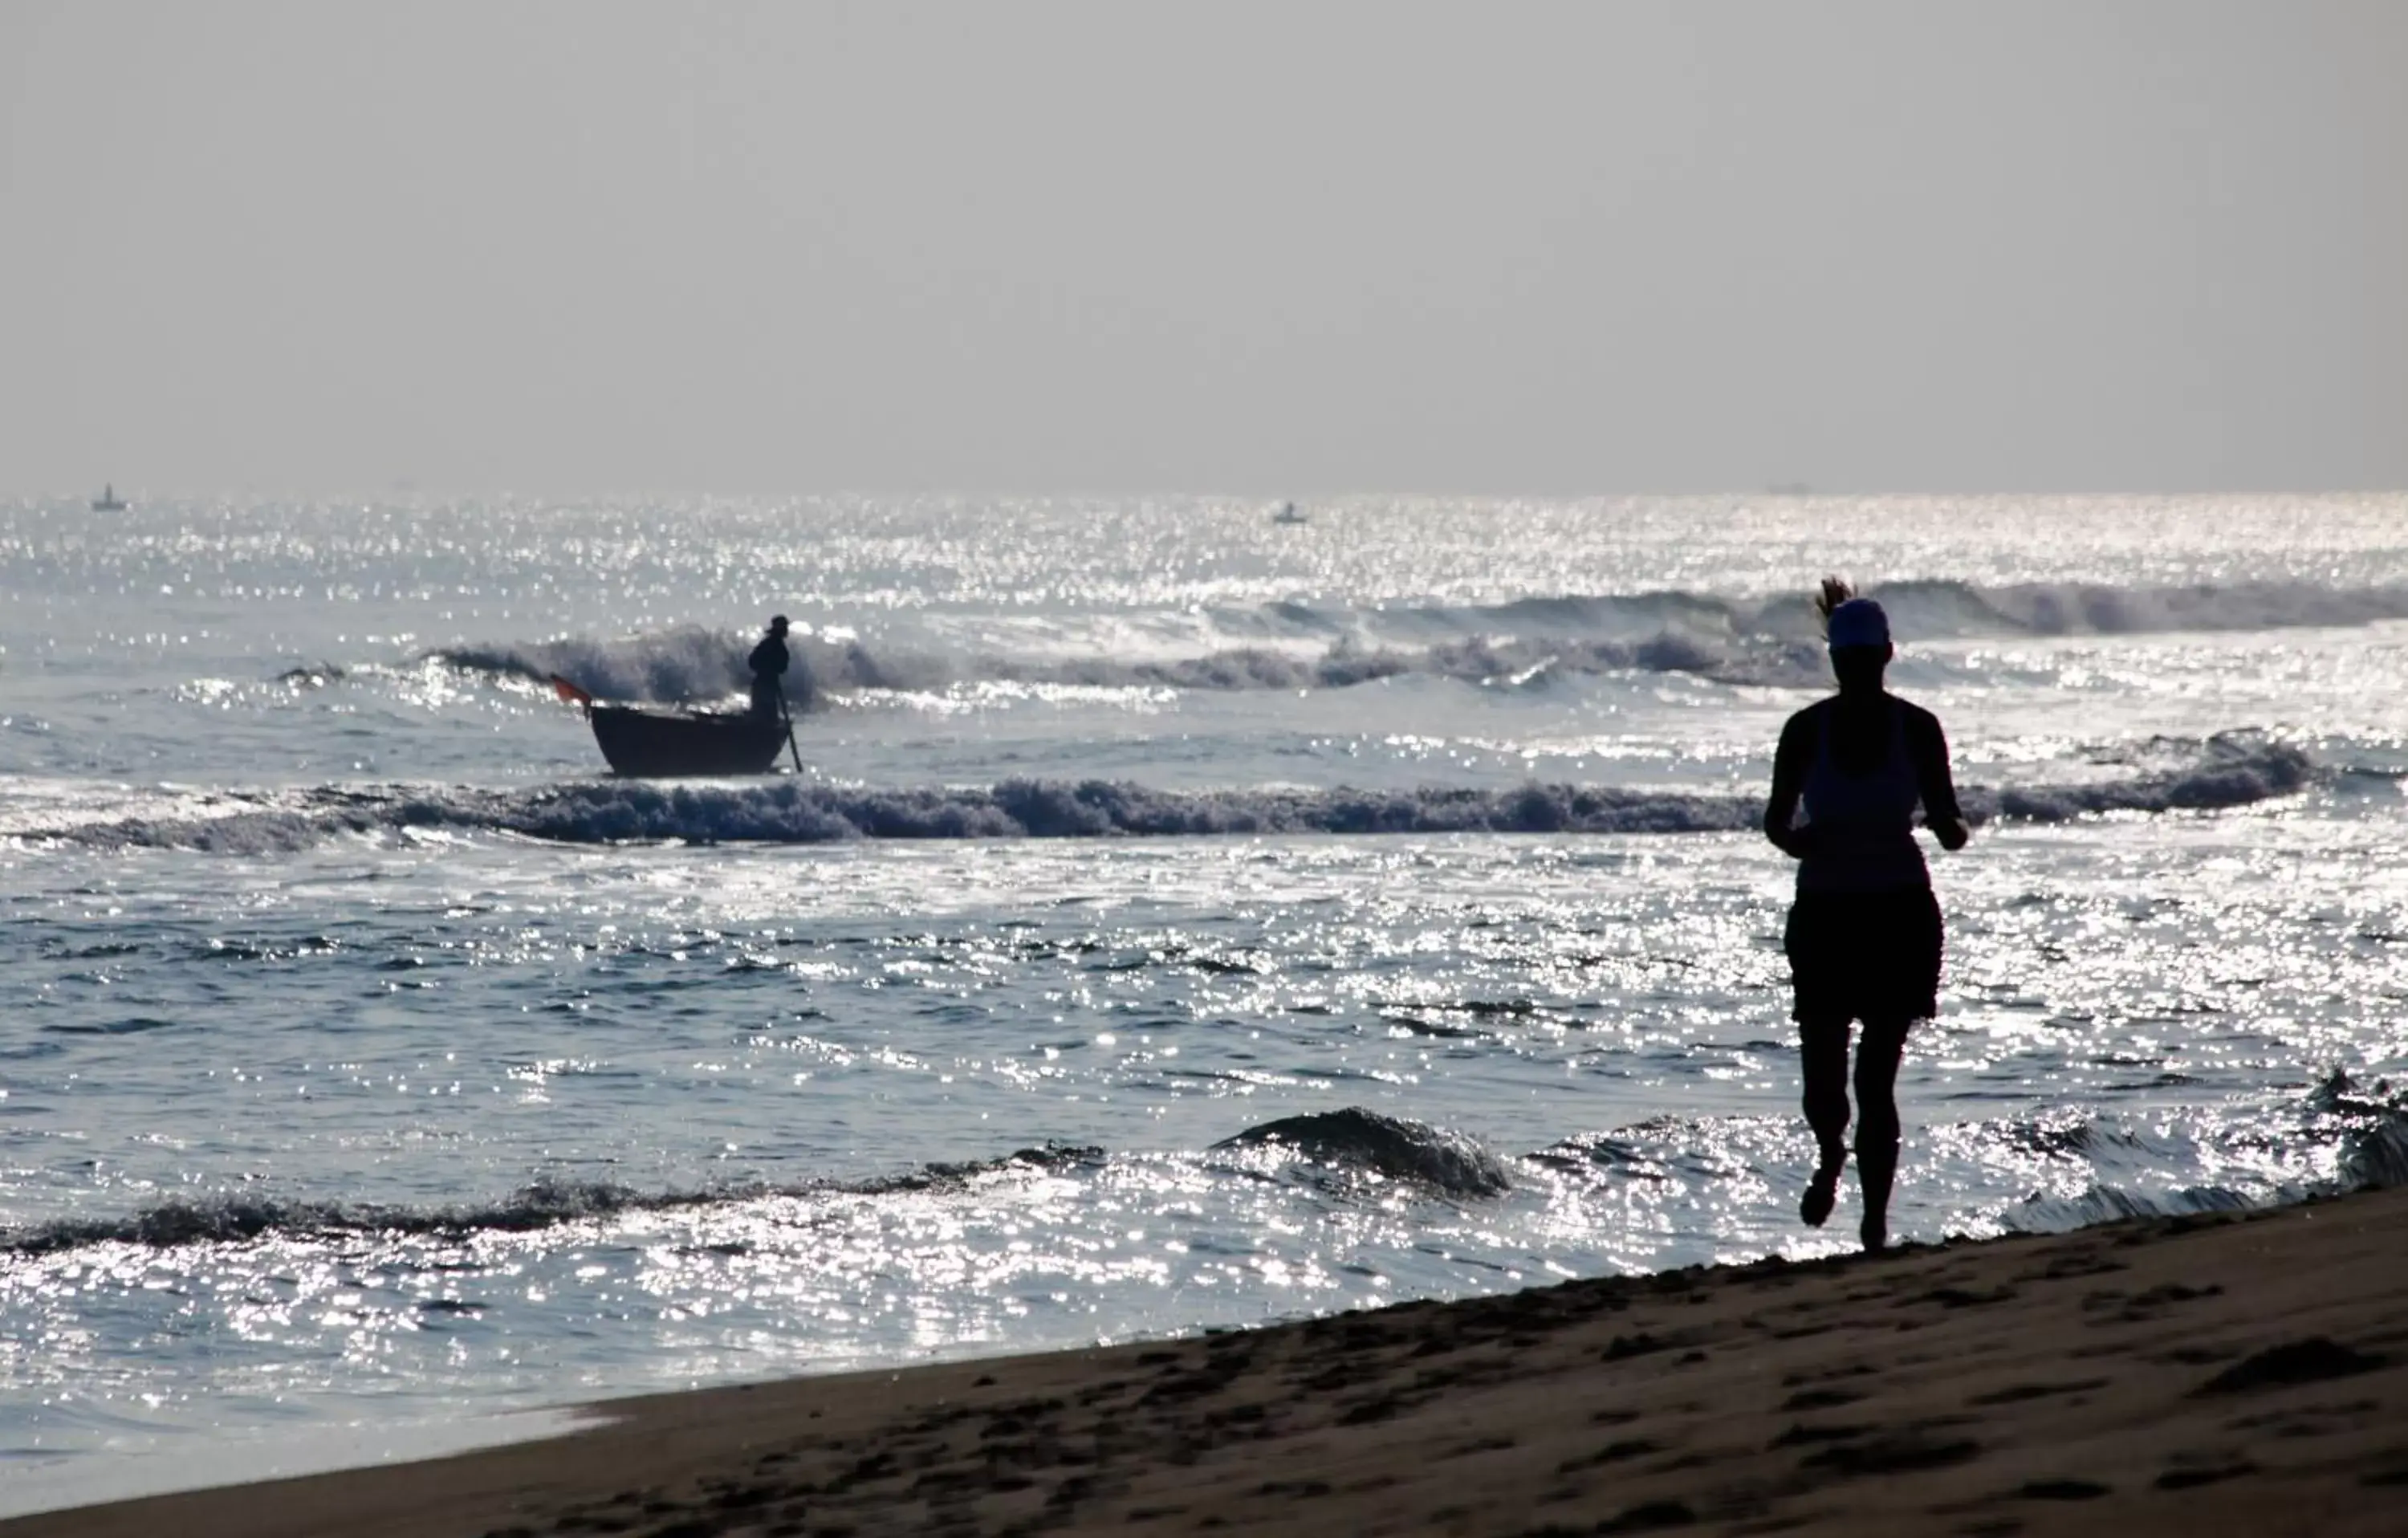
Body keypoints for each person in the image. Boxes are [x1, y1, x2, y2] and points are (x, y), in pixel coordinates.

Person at [1763, 580, 1969, 1252]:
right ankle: (1847, 1180)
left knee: (1836, 1075)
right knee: (1866, 1081)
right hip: (1883, 909)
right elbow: (1945, 822)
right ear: (1886, 652)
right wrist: (1951, 830)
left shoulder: (1828, 729)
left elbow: (1778, 826)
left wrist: (1804, 842)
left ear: (1841, 657)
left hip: (1848, 910)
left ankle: (1869, 1213)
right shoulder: (1900, 727)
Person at [747, 615, 791, 720]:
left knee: (764, 715)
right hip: (765, 684)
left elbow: (782, 668)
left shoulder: (774, 646)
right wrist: (767, 669)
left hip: (768, 684)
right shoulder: (770, 645)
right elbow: (752, 661)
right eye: (785, 627)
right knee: (765, 715)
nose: (786, 630)